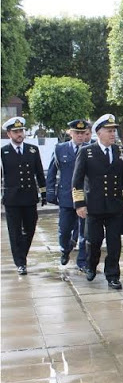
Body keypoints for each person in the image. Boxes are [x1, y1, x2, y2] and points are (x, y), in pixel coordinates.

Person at [72, 114, 123, 289]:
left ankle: (112, 275)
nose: (113, 134)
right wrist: (79, 204)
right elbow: (77, 181)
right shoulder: (87, 152)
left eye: (114, 130)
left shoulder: (120, 151)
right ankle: (91, 265)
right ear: (99, 132)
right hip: (94, 206)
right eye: (109, 130)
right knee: (94, 241)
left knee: (114, 243)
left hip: (114, 206)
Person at [1, 117, 46, 275]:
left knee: (30, 228)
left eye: (21, 131)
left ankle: (22, 254)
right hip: (12, 198)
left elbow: (40, 173)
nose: (19, 134)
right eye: (16, 132)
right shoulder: (3, 152)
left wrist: (44, 192)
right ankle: (20, 262)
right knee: (15, 232)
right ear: (9, 134)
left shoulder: (32, 150)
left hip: (29, 197)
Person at [46, 119, 90, 271]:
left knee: (84, 232)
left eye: (82, 133)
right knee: (64, 230)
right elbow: (52, 171)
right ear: (70, 132)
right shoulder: (60, 148)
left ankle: (82, 261)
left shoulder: (90, 149)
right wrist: (49, 191)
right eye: (76, 133)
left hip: (84, 198)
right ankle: (65, 249)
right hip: (66, 196)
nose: (79, 136)